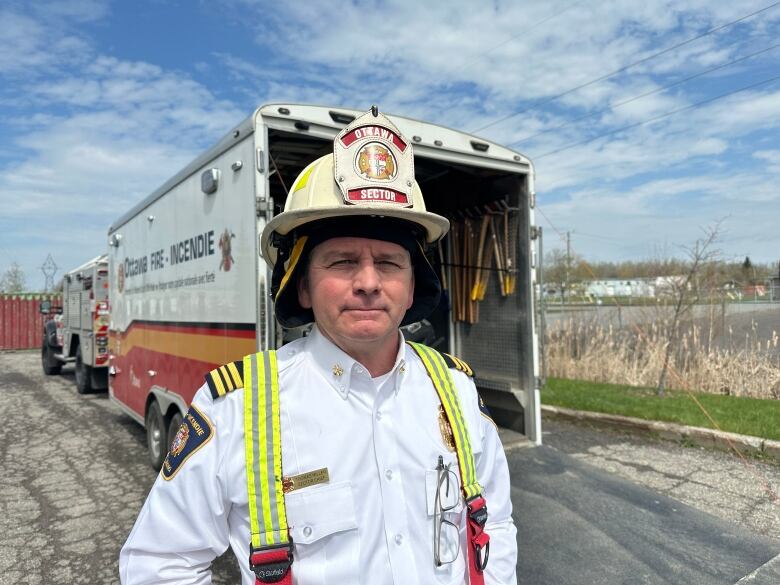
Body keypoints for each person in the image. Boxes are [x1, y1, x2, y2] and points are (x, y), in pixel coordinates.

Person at [119, 107, 517, 584]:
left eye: (390, 262)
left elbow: (493, 521)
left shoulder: (455, 392)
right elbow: (159, 564)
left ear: (413, 288)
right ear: (301, 288)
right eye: (343, 261)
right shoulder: (238, 408)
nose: (369, 283)